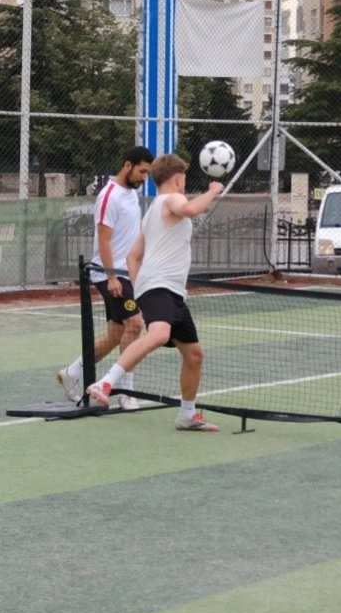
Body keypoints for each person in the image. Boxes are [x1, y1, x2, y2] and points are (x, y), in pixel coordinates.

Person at [86, 154, 225, 432]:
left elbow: (133, 256)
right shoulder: (171, 200)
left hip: (171, 291)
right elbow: (192, 210)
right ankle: (106, 382)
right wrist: (212, 191)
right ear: (177, 178)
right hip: (160, 285)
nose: (184, 182)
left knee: (195, 354)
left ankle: (187, 414)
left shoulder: (151, 213)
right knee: (159, 334)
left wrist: (138, 291)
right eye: (183, 178)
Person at [55, 146, 154, 410]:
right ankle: (125, 391)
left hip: (127, 274)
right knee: (134, 324)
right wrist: (111, 277)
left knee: (115, 334)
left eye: (148, 173)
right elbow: (104, 239)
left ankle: (71, 374)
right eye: (142, 171)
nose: (145, 177)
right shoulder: (109, 196)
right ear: (127, 165)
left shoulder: (132, 192)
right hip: (111, 276)